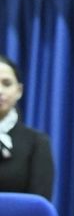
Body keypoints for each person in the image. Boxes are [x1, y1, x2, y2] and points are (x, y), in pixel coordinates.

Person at [0, 54, 54, 200]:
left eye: (6, 83)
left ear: (19, 91)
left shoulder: (36, 142)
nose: (0, 91)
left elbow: (38, 205)